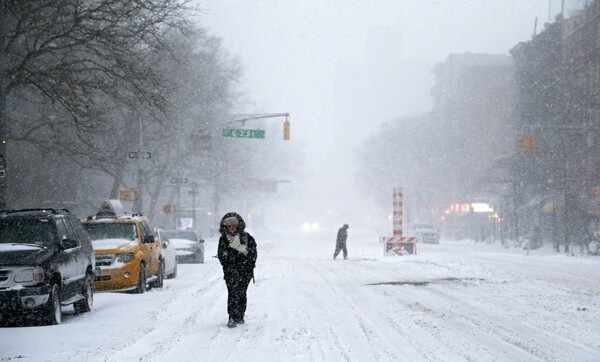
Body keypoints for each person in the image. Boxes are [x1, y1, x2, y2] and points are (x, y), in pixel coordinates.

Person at [217, 212, 258, 328]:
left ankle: (240, 315)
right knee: (232, 293)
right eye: (229, 226)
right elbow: (221, 255)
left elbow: (253, 253)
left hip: (245, 271)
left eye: (234, 226)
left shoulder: (247, 238)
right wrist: (229, 264)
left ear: (238, 226)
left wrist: (249, 264)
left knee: (241, 293)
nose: (232, 228)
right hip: (231, 272)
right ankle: (231, 316)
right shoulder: (224, 239)